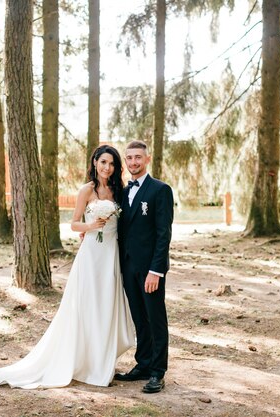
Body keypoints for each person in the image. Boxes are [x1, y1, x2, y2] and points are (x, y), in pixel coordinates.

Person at [0, 144, 134, 389]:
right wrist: (91, 227)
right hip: (92, 254)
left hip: (111, 254)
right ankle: (84, 362)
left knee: (106, 305)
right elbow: (74, 224)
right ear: (95, 162)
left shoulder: (119, 190)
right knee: (87, 306)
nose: (107, 167)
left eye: (112, 164)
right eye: (103, 162)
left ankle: (101, 362)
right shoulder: (87, 190)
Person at [115, 140, 174, 394]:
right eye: (129, 158)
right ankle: (144, 364)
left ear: (147, 159)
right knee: (139, 318)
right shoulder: (122, 192)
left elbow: (163, 234)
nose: (133, 162)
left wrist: (156, 271)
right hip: (128, 268)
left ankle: (158, 372)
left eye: (138, 157)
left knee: (155, 319)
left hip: (150, 270)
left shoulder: (160, 190)